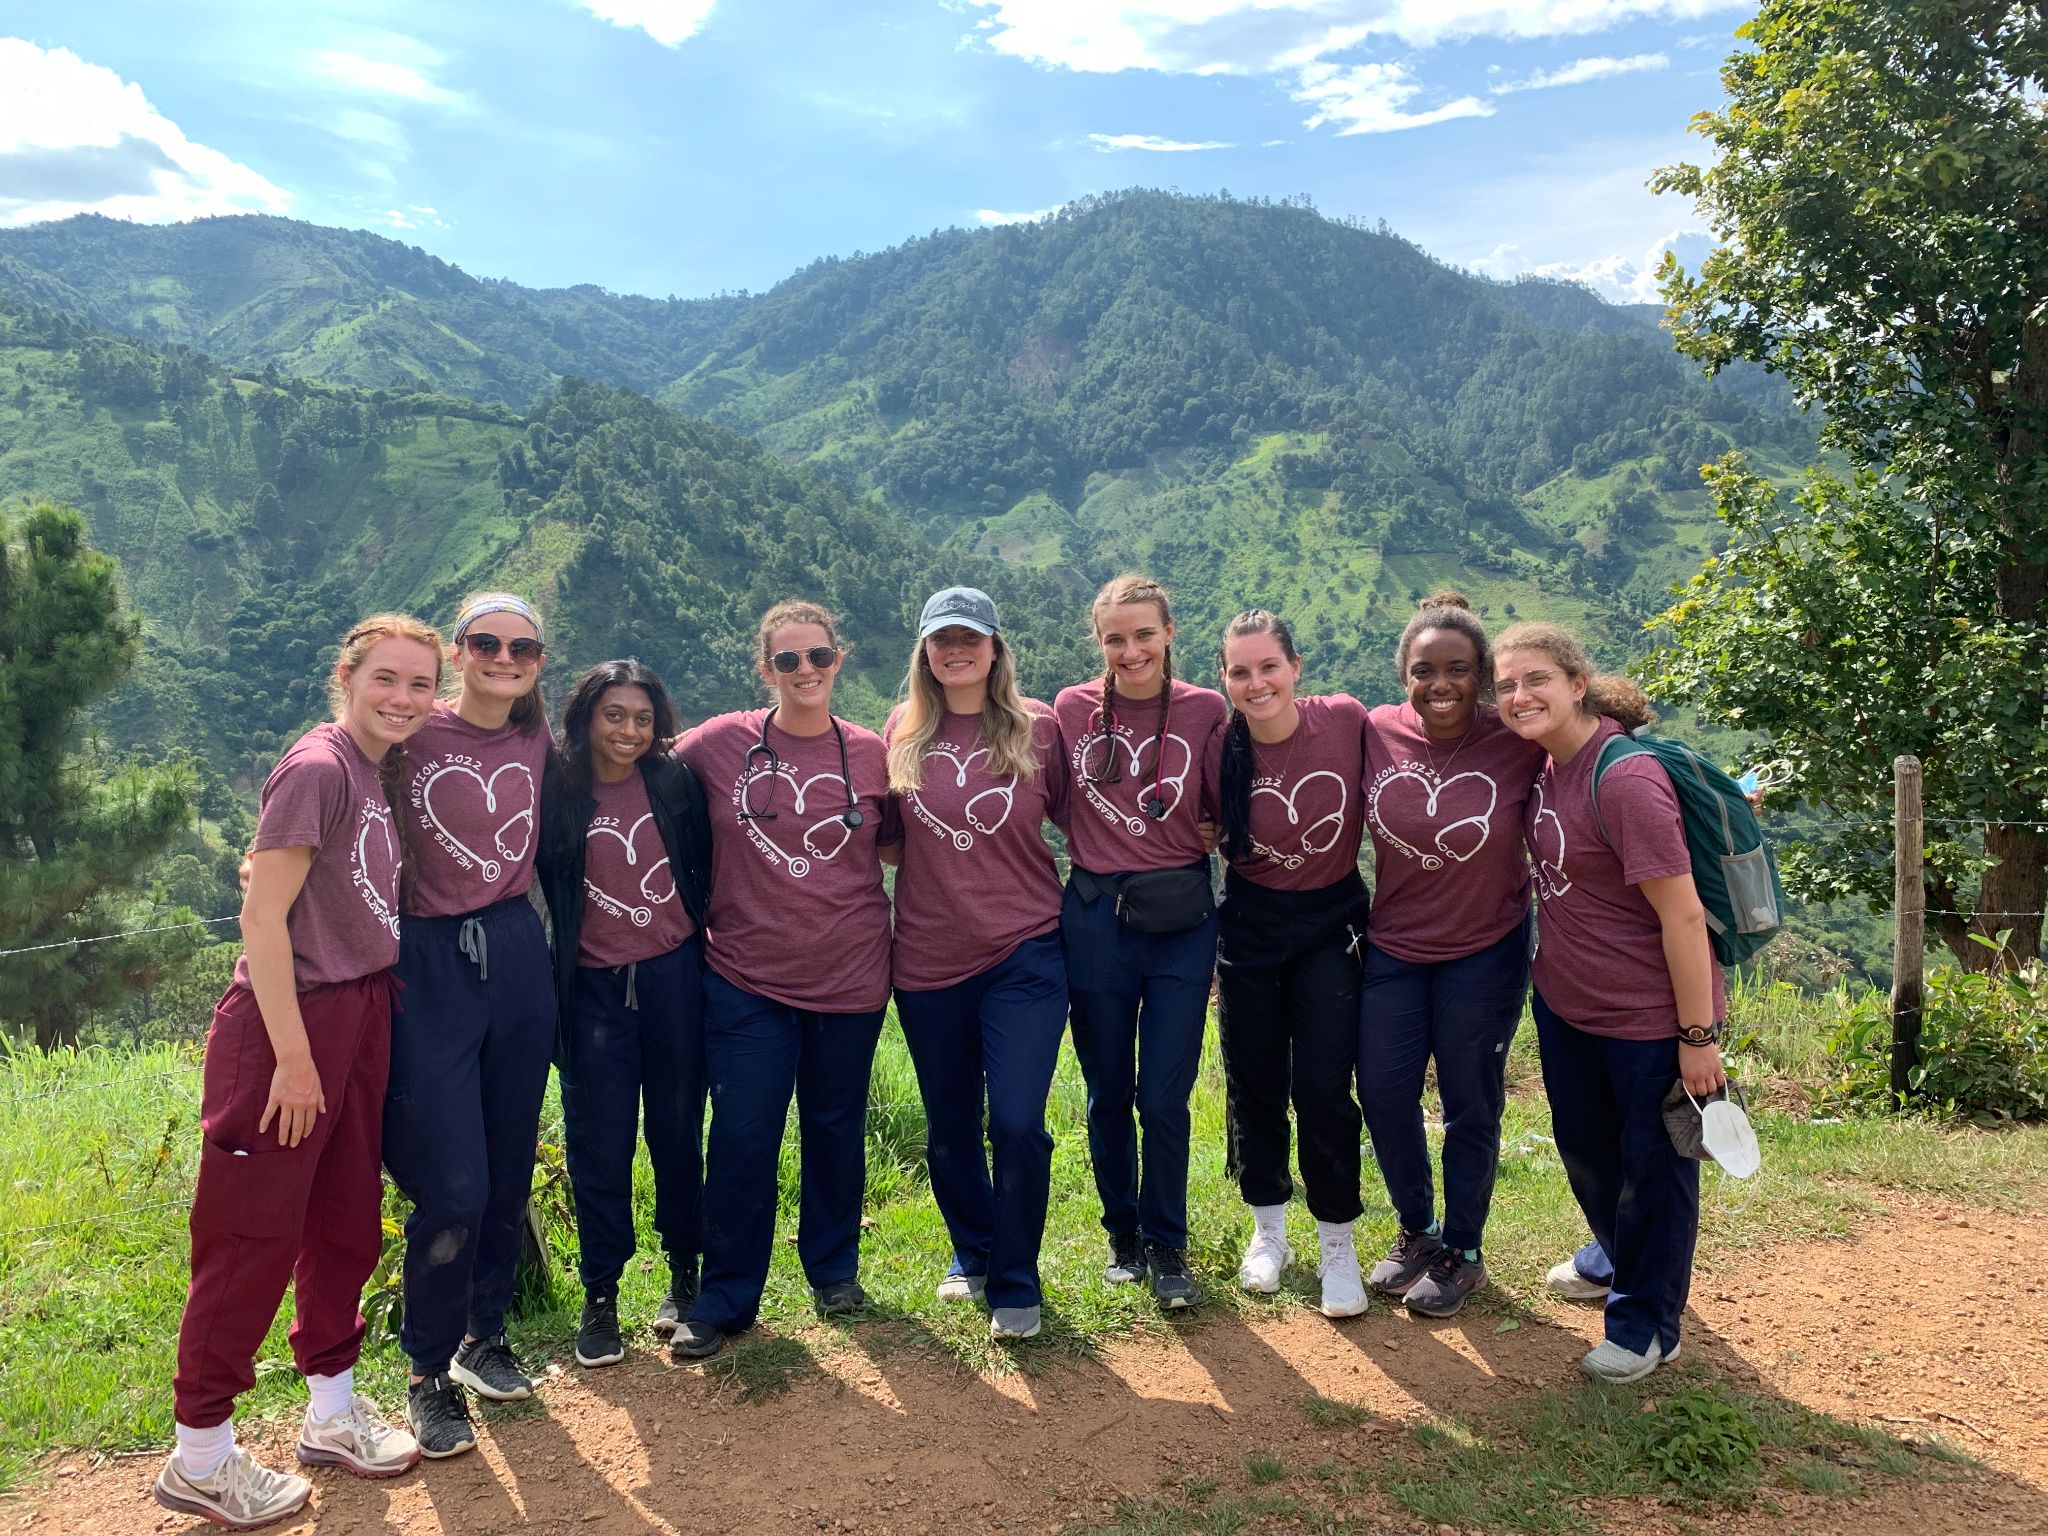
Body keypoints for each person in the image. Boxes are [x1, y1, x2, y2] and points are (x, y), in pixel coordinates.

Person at [158, 614, 440, 1531]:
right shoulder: (319, 767)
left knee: (343, 1219)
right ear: (346, 677)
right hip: (292, 1024)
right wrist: (290, 1059)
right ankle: (200, 1454)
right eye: (386, 680)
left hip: (361, 1011)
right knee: (249, 1240)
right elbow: (261, 921)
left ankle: (331, 1412)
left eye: (418, 684)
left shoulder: (377, 767)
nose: (403, 699)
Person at [1493, 622, 1727, 1383]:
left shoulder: (1621, 779)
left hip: (1646, 1020)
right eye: (1506, 687)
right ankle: (1616, 1256)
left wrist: (1697, 1036)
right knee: (1588, 1151)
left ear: (1576, 684)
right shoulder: (1552, 767)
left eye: (1535, 680)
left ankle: (1648, 1325)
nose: (1519, 696)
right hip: (1568, 1005)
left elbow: (1684, 915)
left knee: (1651, 1169)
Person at [668, 600, 899, 1360]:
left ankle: (833, 1272)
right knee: (742, 1137)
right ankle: (726, 1295)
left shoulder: (870, 753)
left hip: (852, 972)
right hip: (745, 977)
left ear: (842, 659)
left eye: (819, 657)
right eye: (789, 660)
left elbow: (904, 842)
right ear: (765, 669)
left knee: (835, 1129)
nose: (806, 671)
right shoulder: (718, 743)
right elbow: (634, 756)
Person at [383, 592, 557, 1458]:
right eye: (486, 642)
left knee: (509, 1153)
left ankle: (485, 1332)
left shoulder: (536, 738)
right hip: (428, 959)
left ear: (538, 661)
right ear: (458, 652)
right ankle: (426, 1371)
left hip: (518, 951)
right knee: (451, 1181)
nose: (503, 657)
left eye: (520, 646)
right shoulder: (411, 736)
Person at [885, 587, 1068, 1344]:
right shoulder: (900, 729)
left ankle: (1016, 1278)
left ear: (995, 648)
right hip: (927, 960)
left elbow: (1083, 823)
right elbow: (891, 841)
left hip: (1025, 950)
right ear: (925, 652)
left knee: (1019, 1123)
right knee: (951, 1128)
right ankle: (976, 1254)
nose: (955, 651)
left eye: (970, 638)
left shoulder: (1040, 729)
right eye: (940, 640)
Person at [1357, 593, 1546, 1318]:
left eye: (1459, 670)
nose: (1441, 685)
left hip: (1485, 948)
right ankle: (1417, 1232)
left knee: (1471, 1099)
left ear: (1485, 674)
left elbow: (1596, 732)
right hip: (1395, 946)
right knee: (1383, 1091)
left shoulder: (1515, 737)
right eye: (1424, 670)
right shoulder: (1375, 731)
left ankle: (1464, 1250)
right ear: (1403, 674)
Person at [1052, 574, 1227, 1309]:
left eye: (1144, 635)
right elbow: (1053, 797)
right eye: (1116, 638)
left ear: (1169, 634)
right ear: (1100, 642)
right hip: (1096, 914)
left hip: (1181, 921)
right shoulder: (1069, 711)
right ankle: (1121, 1232)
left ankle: (1168, 1241)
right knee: (1106, 1092)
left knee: (1163, 1094)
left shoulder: (1204, 710)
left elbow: (1222, 804)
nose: (1131, 651)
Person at [536, 660, 714, 1368]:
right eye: (614, 715)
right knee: (598, 1146)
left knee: (677, 1133)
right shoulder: (561, 789)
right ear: (586, 717)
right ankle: (601, 1294)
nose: (629, 731)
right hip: (591, 990)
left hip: (673, 977)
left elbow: (700, 867)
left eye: (642, 718)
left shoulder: (671, 783)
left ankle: (684, 1275)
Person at [1213, 610, 1374, 1318]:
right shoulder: (1219, 746)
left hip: (1332, 923)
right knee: (1253, 1080)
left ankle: (1338, 1239)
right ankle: (1268, 1230)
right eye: (1240, 671)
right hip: (1248, 922)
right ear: (1225, 679)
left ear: (1296, 667)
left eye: (1268, 666)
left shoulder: (1343, 721)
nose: (1257, 683)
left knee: (1322, 1085)